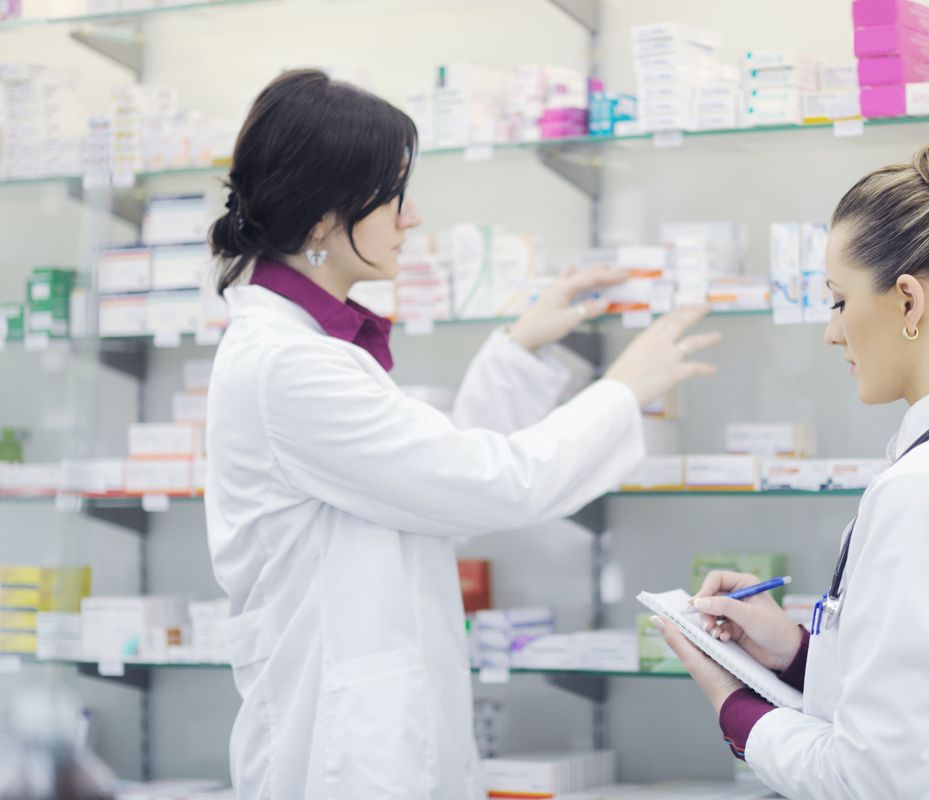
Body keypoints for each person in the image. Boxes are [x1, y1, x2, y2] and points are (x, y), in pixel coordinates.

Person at [203, 69, 720, 799]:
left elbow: (429, 483)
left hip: (373, 727)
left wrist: (519, 347)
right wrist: (623, 390)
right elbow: (490, 485)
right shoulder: (288, 366)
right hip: (337, 752)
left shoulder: (307, 348)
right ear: (322, 219)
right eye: (394, 196)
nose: (410, 219)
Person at [654, 137, 929, 799]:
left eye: (837, 301)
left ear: (910, 302)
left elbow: (867, 777)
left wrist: (731, 701)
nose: (832, 332)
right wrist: (792, 651)